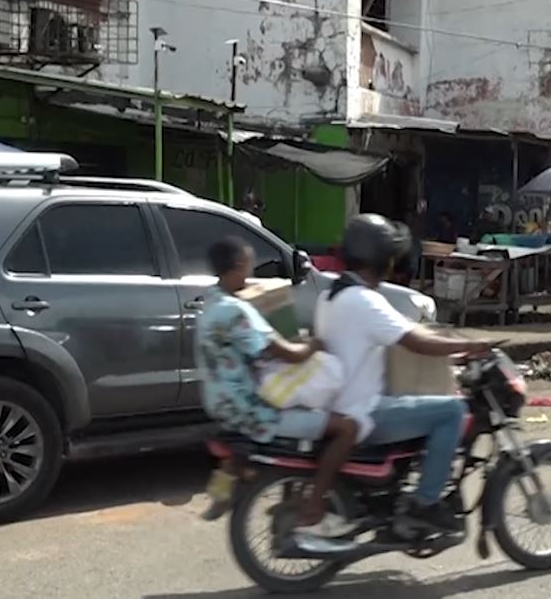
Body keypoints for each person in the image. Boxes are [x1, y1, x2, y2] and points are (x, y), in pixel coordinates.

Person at [317, 214, 494, 535]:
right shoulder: (364, 301)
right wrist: (469, 346)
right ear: (382, 260)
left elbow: (401, 333)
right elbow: (415, 341)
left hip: (339, 405)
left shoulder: (330, 296)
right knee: (452, 411)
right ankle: (425, 503)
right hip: (364, 412)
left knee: (420, 402)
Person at [196, 237, 359, 545]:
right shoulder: (236, 312)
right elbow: (290, 354)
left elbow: (254, 351)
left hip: (219, 401)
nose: (251, 271)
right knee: (345, 427)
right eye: (248, 264)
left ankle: (227, 487)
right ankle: (314, 503)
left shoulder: (211, 301)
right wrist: (315, 343)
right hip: (249, 409)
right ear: (238, 265)